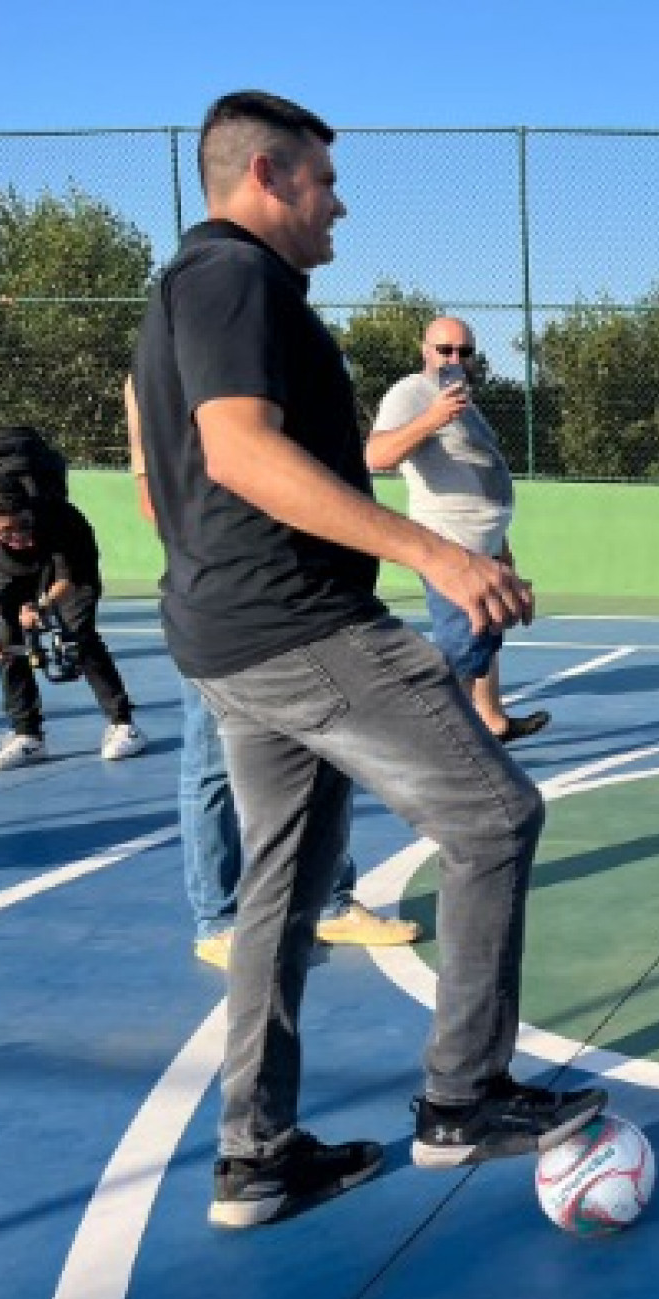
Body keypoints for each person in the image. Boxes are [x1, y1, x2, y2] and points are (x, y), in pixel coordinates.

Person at [131, 91, 603, 1230]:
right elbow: (236, 452)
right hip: (299, 625)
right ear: (268, 177)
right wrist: (429, 551)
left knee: (280, 896)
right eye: (325, 183)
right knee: (494, 818)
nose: (340, 204)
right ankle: (464, 1097)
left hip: (231, 633)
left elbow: (176, 464)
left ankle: (256, 1154)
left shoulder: (193, 289)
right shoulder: (233, 278)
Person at [125, 377, 422, 967]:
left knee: (328, 749)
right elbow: (154, 497)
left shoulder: (265, 350)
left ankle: (332, 902)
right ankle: (217, 916)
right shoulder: (156, 373)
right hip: (226, 603)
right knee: (211, 762)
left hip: (301, 598)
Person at [366, 316, 550, 743]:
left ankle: (493, 723)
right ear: (425, 351)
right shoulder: (413, 392)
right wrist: (432, 418)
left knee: (486, 635)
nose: (455, 359)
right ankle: (446, 745)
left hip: (482, 545)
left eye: (464, 352)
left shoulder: (464, 398)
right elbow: (376, 455)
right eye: (444, 350)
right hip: (450, 549)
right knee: (461, 649)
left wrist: (501, 546)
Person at [0, 475, 145, 770]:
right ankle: (28, 736)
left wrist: (41, 606)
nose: (20, 536)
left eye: (24, 524)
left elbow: (66, 580)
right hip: (10, 577)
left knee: (78, 635)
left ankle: (123, 724)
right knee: (6, 645)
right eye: (6, 531)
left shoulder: (57, 519)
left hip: (68, 573)